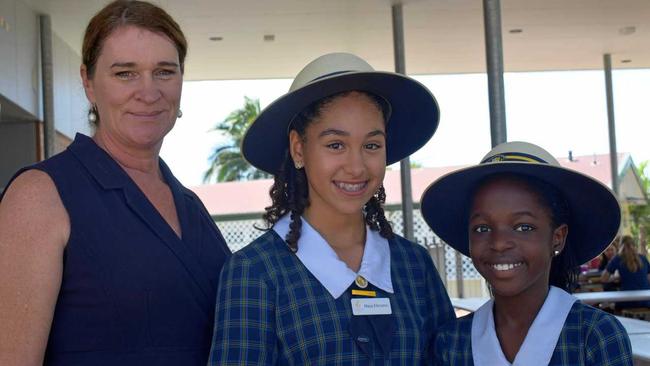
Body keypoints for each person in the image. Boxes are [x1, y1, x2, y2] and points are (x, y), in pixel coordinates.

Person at [0, 1, 231, 365]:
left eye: (165, 72)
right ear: (89, 83)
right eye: (125, 73)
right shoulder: (40, 195)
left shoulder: (191, 206)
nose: (149, 91)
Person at [208, 52, 455, 365]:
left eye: (372, 145)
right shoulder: (256, 272)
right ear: (299, 149)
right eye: (335, 145)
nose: (356, 166)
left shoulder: (414, 266)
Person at [421, 141, 633, 365]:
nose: (500, 243)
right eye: (482, 228)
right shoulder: (451, 343)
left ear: (557, 237)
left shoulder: (594, 336)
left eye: (524, 227)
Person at [601, 235, 650, 309]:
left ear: (620, 246)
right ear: (634, 245)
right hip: (646, 300)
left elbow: (603, 279)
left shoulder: (618, 258)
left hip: (627, 302)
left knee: (606, 306)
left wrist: (615, 278)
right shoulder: (643, 258)